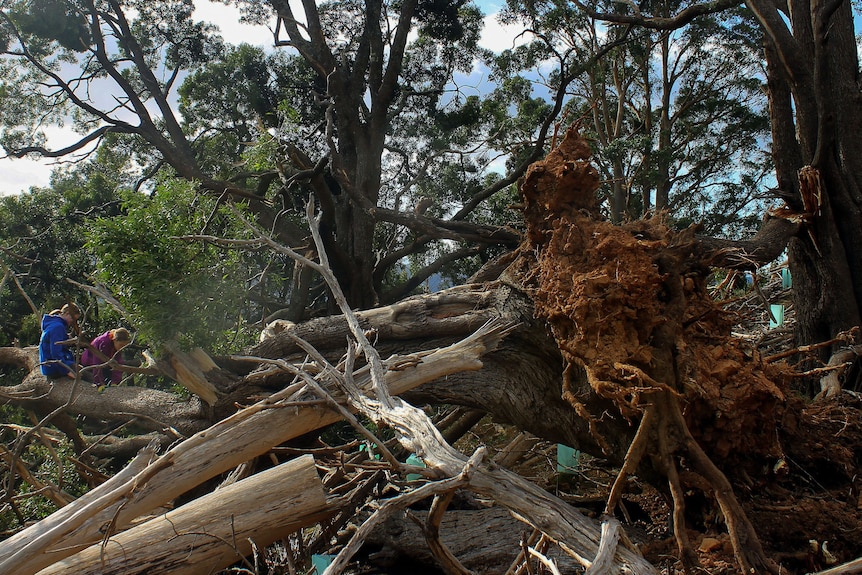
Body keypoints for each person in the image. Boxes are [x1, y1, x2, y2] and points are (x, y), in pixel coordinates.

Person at [39, 303, 81, 378]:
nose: (72, 322)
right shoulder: (58, 327)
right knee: (87, 375)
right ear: (67, 314)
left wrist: (67, 338)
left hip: (47, 366)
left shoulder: (53, 324)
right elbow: (56, 352)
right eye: (73, 319)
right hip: (53, 367)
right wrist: (67, 371)